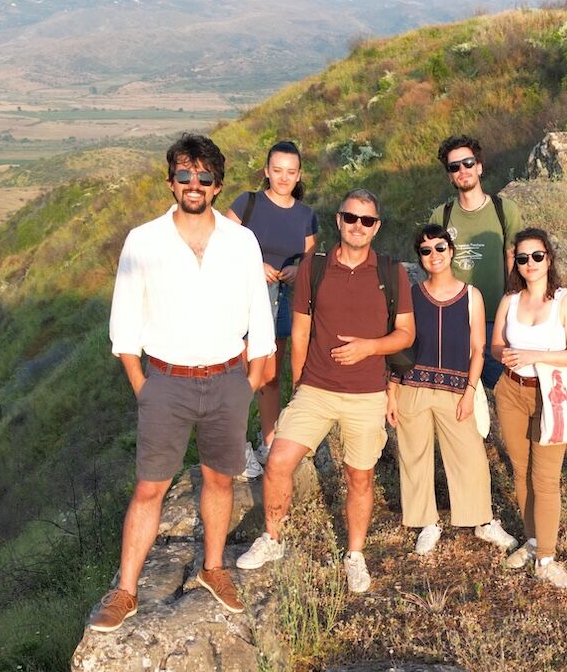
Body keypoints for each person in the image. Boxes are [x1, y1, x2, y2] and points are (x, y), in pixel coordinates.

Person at [92, 134, 275, 629]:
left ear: (217, 185)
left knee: (220, 478)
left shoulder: (241, 242)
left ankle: (213, 568)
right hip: (166, 382)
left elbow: (260, 315)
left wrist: (251, 382)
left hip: (227, 380)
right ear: (171, 181)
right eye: (184, 176)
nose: (194, 185)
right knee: (150, 487)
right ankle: (125, 590)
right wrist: (143, 386)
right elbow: (124, 322)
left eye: (204, 177)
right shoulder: (144, 240)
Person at [237, 190, 414, 595]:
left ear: (377, 227)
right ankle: (272, 539)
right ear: (338, 220)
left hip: (366, 392)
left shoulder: (391, 272)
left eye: (367, 221)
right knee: (279, 460)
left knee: (359, 476)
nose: (358, 226)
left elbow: (406, 333)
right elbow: (299, 331)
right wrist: (299, 383)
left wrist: (369, 347)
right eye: (351, 218)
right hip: (315, 388)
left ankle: (354, 554)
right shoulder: (313, 268)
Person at [388, 224, 521, 556]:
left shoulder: (471, 296)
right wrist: (391, 391)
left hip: (456, 389)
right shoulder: (412, 295)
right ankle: (426, 522)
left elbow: (478, 349)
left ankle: (482, 520)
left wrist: (469, 391)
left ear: (451, 251)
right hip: (412, 387)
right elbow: (399, 346)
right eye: (426, 250)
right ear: (419, 257)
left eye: (440, 248)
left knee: (471, 456)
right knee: (414, 456)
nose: (434, 255)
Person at [490, 228, 567, 590]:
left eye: (536, 256)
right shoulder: (510, 300)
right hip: (511, 392)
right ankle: (532, 541)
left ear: (549, 257)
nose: (529, 263)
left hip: (551, 395)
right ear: (515, 263)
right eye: (522, 258)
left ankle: (546, 557)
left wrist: (535, 356)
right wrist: (508, 356)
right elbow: (496, 345)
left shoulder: (565, 300)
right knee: (520, 471)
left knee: (545, 478)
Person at [223, 140, 317, 479]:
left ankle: (269, 442)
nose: (283, 177)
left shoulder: (306, 215)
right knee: (242, 372)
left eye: (290, 172)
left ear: (299, 175)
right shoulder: (248, 203)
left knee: (271, 377)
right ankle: (234, 447)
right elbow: (220, 243)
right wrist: (254, 264)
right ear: (266, 171)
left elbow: (310, 257)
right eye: (277, 171)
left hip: (284, 300)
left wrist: (298, 269)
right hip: (246, 298)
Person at [433, 135, 512, 385]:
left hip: (495, 321)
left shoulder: (505, 210)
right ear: (449, 175)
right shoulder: (440, 216)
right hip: (455, 323)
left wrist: (513, 314)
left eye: (468, 163)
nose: (462, 170)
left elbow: (514, 258)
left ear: (479, 166)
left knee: (501, 394)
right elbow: (434, 269)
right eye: (454, 167)